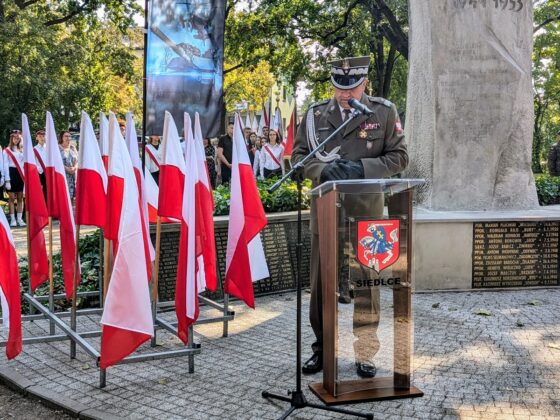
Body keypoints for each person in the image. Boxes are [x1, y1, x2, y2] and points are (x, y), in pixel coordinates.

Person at [291, 56, 408, 378]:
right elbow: (298, 157)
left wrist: (361, 168)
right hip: (325, 209)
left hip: (367, 214)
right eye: (339, 87)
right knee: (320, 285)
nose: (345, 94)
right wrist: (323, 169)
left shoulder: (384, 111)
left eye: (352, 87)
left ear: (365, 83)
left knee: (366, 285)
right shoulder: (315, 115)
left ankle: (366, 352)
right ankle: (322, 349)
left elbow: (399, 157)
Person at [2, 130, 26, 227]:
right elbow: (5, 165)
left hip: (20, 174)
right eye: (14, 138)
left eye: (18, 138)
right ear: (11, 138)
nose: (16, 140)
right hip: (11, 173)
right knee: (11, 198)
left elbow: (24, 163)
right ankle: (12, 219)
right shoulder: (6, 150)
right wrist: (7, 180)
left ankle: (19, 219)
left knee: (20, 197)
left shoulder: (22, 150)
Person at [59, 131, 78, 199]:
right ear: (61, 137)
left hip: (73, 175)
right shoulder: (58, 148)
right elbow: (56, 162)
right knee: (64, 197)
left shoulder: (73, 147)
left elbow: (77, 160)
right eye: (66, 136)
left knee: (73, 197)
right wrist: (66, 168)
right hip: (63, 175)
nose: (68, 138)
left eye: (69, 136)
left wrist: (75, 167)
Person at [217, 121, 234, 185]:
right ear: (227, 128)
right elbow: (219, 154)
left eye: (234, 128)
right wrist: (228, 164)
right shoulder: (223, 139)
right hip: (226, 166)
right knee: (226, 185)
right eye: (231, 128)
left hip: (236, 167)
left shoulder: (237, 139)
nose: (233, 130)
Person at [34, 129, 48, 201]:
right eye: (40, 136)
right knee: (39, 193)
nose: (42, 138)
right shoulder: (34, 149)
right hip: (38, 173)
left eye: (43, 136)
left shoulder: (49, 148)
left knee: (47, 192)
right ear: (36, 138)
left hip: (47, 172)